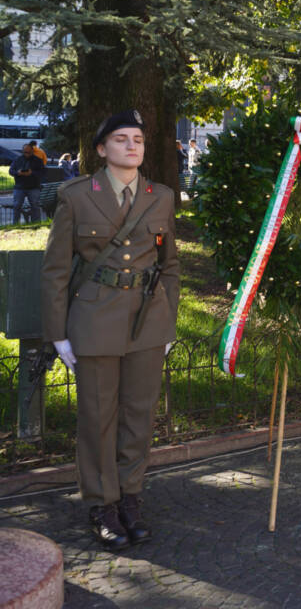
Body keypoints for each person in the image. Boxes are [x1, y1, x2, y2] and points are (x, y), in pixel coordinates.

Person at [40, 110, 180, 549]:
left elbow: (169, 265)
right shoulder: (77, 195)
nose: (132, 146)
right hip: (94, 319)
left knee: (139, 415)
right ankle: (103, 504)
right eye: (121, 139)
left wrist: (169, 321)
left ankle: (130, 498)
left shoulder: (161, 197)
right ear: (101, 149)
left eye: (138, 139)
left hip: (147, 321)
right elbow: (55, 270)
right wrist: (58, 334)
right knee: (98, 418)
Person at [9, 142, 46, 222]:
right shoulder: (17, 159)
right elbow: (11, 171)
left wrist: (32, 173)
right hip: (20, 186)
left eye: (29, 152)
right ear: (23, 151)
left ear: (32, 151)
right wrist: (18, 173)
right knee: (17, 205)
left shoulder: (38, 160)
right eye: (25, 152)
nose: (27, 154)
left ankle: (36, 223)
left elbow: (42, 173)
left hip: (33, 186)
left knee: (35, 206)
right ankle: (15, 223)